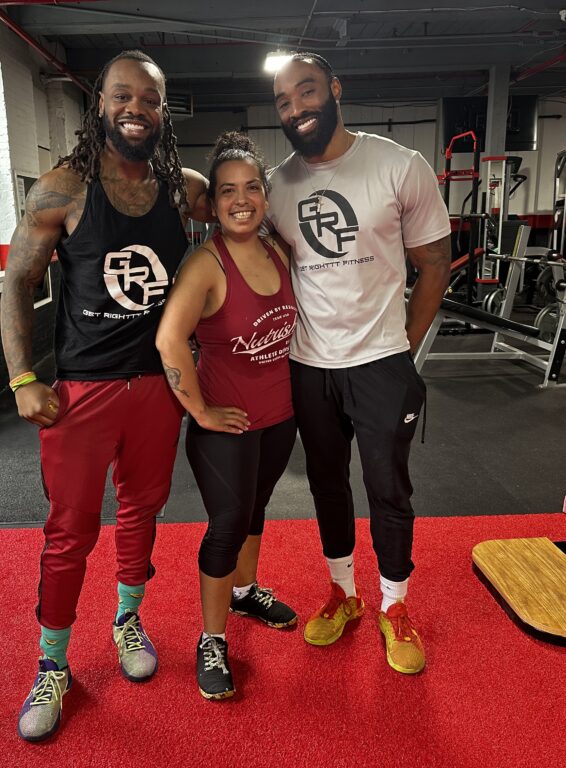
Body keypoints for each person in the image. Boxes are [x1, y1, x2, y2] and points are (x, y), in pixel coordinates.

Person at [0, 50, 212, 742]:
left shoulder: (184, 190)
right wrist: (23, 378)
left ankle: (127, 621)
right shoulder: (61, 189)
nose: (136, 110)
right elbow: (16, 286)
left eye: (149, 100)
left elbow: (251, 203)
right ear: (100, 105)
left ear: (163, 110)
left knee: (142, 514)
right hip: (81, 393)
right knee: (69, 534)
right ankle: (52, 665)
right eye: (123, 97)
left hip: (156, 388)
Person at [266, 53, 451, 674]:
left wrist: (402, 344)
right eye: (284, 102)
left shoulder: (399, 166)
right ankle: (343, 594)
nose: (297, 109)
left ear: (335, 89)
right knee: (326, 482)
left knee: (387, 486)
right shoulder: (274, 185)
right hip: (308, 363)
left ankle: (394, 606)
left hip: (379, 362)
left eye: (307, 92)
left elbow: (434, 264)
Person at [156, 133, 298, 700]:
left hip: (278, 417)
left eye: (252, 188)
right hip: (225, 427)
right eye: (227, 192)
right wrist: (201, 411)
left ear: (265, 195)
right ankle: (211, 638)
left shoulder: (278, 251)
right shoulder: (205, 265)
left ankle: (246, 591)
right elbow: (170, 342)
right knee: (227, 522)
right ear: (212, 204)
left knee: (256, 509)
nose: (242, 200)